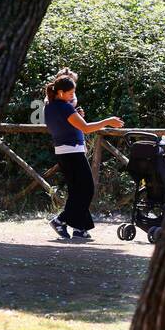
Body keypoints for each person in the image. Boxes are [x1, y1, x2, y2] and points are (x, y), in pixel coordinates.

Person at [43, 74, 123, 240]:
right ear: (60, 92)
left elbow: (63, 125)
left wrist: (75, 115)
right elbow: (86, 129)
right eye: (70, 93)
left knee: (77, 191)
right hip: (72, 151)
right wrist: (108, 121)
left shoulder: (49, 107)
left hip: (63, 152)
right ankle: (60, 220)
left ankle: (80, 228)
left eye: (74, 92)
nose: (73, 96)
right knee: (86, 189)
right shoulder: (65, 108)